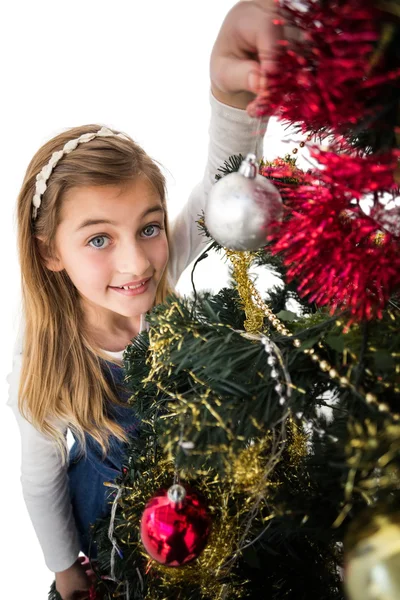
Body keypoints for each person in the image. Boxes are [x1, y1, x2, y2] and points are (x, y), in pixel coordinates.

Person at [7, 2, 281, 598]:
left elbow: (219, 193)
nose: (136, 263)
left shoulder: (155, 292)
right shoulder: (43, 354)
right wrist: (64, 571)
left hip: (208, 540)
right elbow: (40, 481)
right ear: (51, 251)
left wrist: (229, 97)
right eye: (99, 239)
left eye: (149, 227)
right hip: (116, 567)